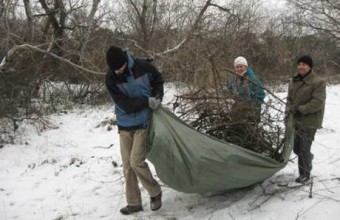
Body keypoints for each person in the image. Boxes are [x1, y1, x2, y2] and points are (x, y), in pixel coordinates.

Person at [105, 46, 164, 215]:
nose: (117, 71)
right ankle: (134, 203)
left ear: (125, 61)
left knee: (136, 161)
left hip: (144, 122)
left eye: (119, 68)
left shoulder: (143, 67)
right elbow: (124, 104)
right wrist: (147, 100)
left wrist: (157, 97)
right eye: (114, 69)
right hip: (125, 123)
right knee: (127, 166)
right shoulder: (110, 77)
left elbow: (158, 80)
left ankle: (155, 192)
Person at [286, 55, 326, 184]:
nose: (301, 66)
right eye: (299, 64)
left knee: (303, 149)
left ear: (310, 67)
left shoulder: (318, 82)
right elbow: (289, 100)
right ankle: (308, 157)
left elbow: (318, 102)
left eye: (304, 64)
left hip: (310, 121)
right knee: (296, 148)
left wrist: (301, 109)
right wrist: (287, 113)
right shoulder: (293, 81)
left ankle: (305, 174)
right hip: (295, 120)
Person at [227, 56, 266, 124]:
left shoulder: (253, 79)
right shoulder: (233, 79)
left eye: (241, 66)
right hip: (237, 111)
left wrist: (251, 107)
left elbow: (260, 96)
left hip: (251, 112)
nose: (239, 69)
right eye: (237, 67)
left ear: (245, 66)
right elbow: (230, 90)